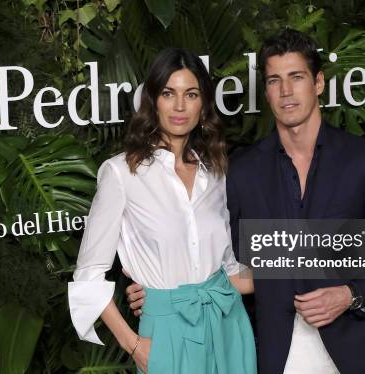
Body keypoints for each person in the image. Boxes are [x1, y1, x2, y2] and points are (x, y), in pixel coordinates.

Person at [127, 30, 365, 374]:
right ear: (267, 91)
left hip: (358, 352)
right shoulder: (242, 172)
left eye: (296, 77)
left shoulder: (364, 160)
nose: (286, 91)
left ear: (318, 83)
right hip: (275, 354)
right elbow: (214, 258)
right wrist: (161, 293)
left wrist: (350, 294)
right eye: (275, 80)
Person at [68, 48, 257, 374]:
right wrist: (135, 345)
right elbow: (87, 276)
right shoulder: (121, 174)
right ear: (153, 101)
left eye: (191, 94)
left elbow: (229, 271)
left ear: (203, 106)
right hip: (167, 335)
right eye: (169, 93)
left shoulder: (214, 172)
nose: (180, 106)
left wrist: (303, 265)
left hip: (228, 324)